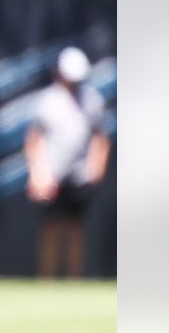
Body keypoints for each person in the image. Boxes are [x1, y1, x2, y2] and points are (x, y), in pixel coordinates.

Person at [25, 47, 110, 278]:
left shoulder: (92, 100)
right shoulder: (47, 100)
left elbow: (100, 138)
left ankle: (74, 281)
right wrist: (38, 172)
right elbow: (34, 140)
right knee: (51, 228)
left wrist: (97, 167)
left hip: (80, 175)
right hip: (52, 174)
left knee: (75, 228)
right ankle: (48, 280)